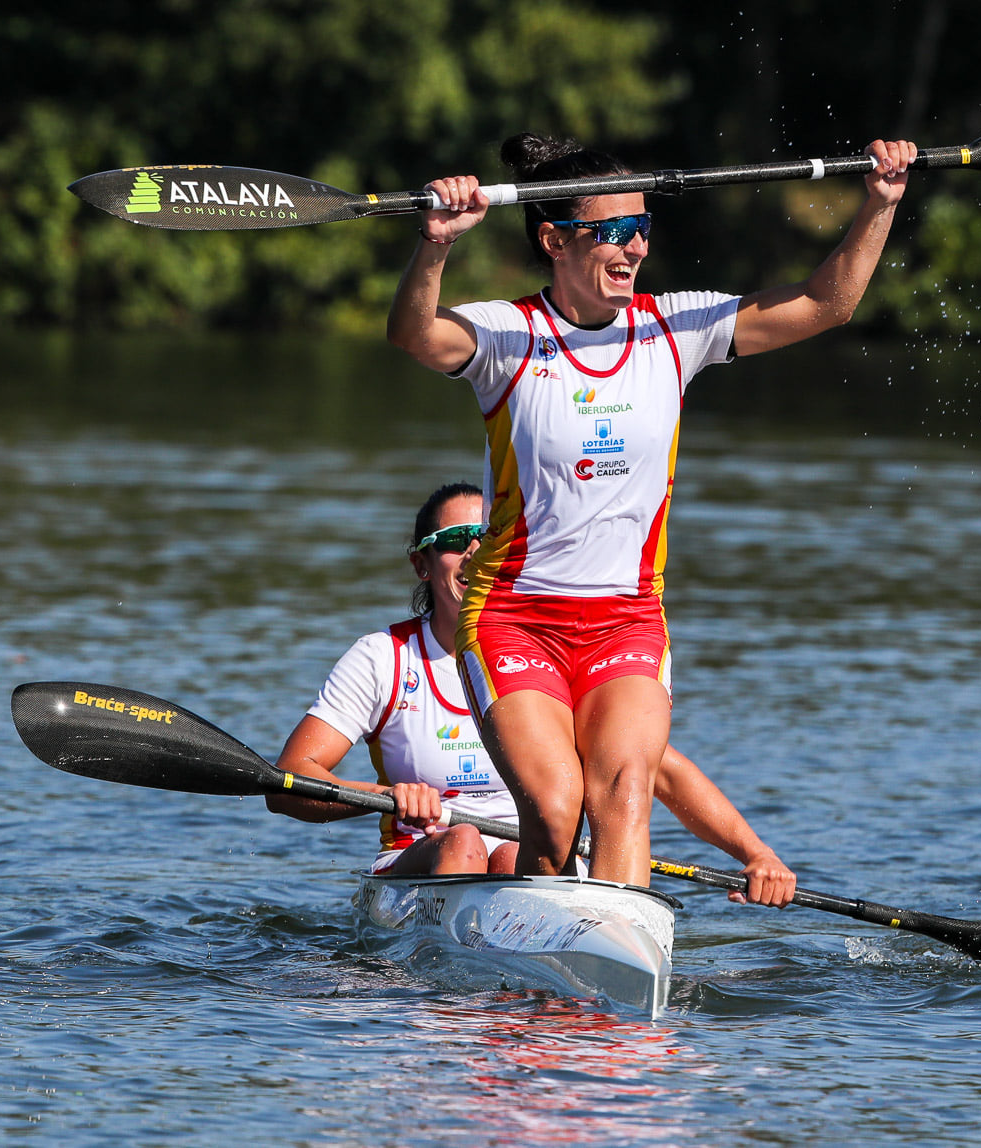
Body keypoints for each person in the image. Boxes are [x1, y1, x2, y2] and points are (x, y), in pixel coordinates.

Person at [386, 131, 916, 888]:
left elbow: (826, 305)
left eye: (643, 228)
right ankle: (527, 937)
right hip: (514, 614)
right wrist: (435, 245)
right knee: (557, 803)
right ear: (554, 239)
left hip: (626, 617)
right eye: (612, 231)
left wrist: (879, 203)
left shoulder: (676, 329)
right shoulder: (508, 334)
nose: (634, 247)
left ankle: (616, 981)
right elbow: (411, 335)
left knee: (625, 795)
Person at [266, 481, 797, 905]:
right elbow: (288, 783)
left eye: (491, 535)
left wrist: (756, 854)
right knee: (465, 843)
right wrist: (386, 797)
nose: (475, 551)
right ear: (422, 564)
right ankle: (457, 1005)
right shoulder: (382, 658)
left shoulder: (553, 656)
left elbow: (654, 768)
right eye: (455, 541)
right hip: (419, 859)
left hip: (525, 859)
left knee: (509, 854)